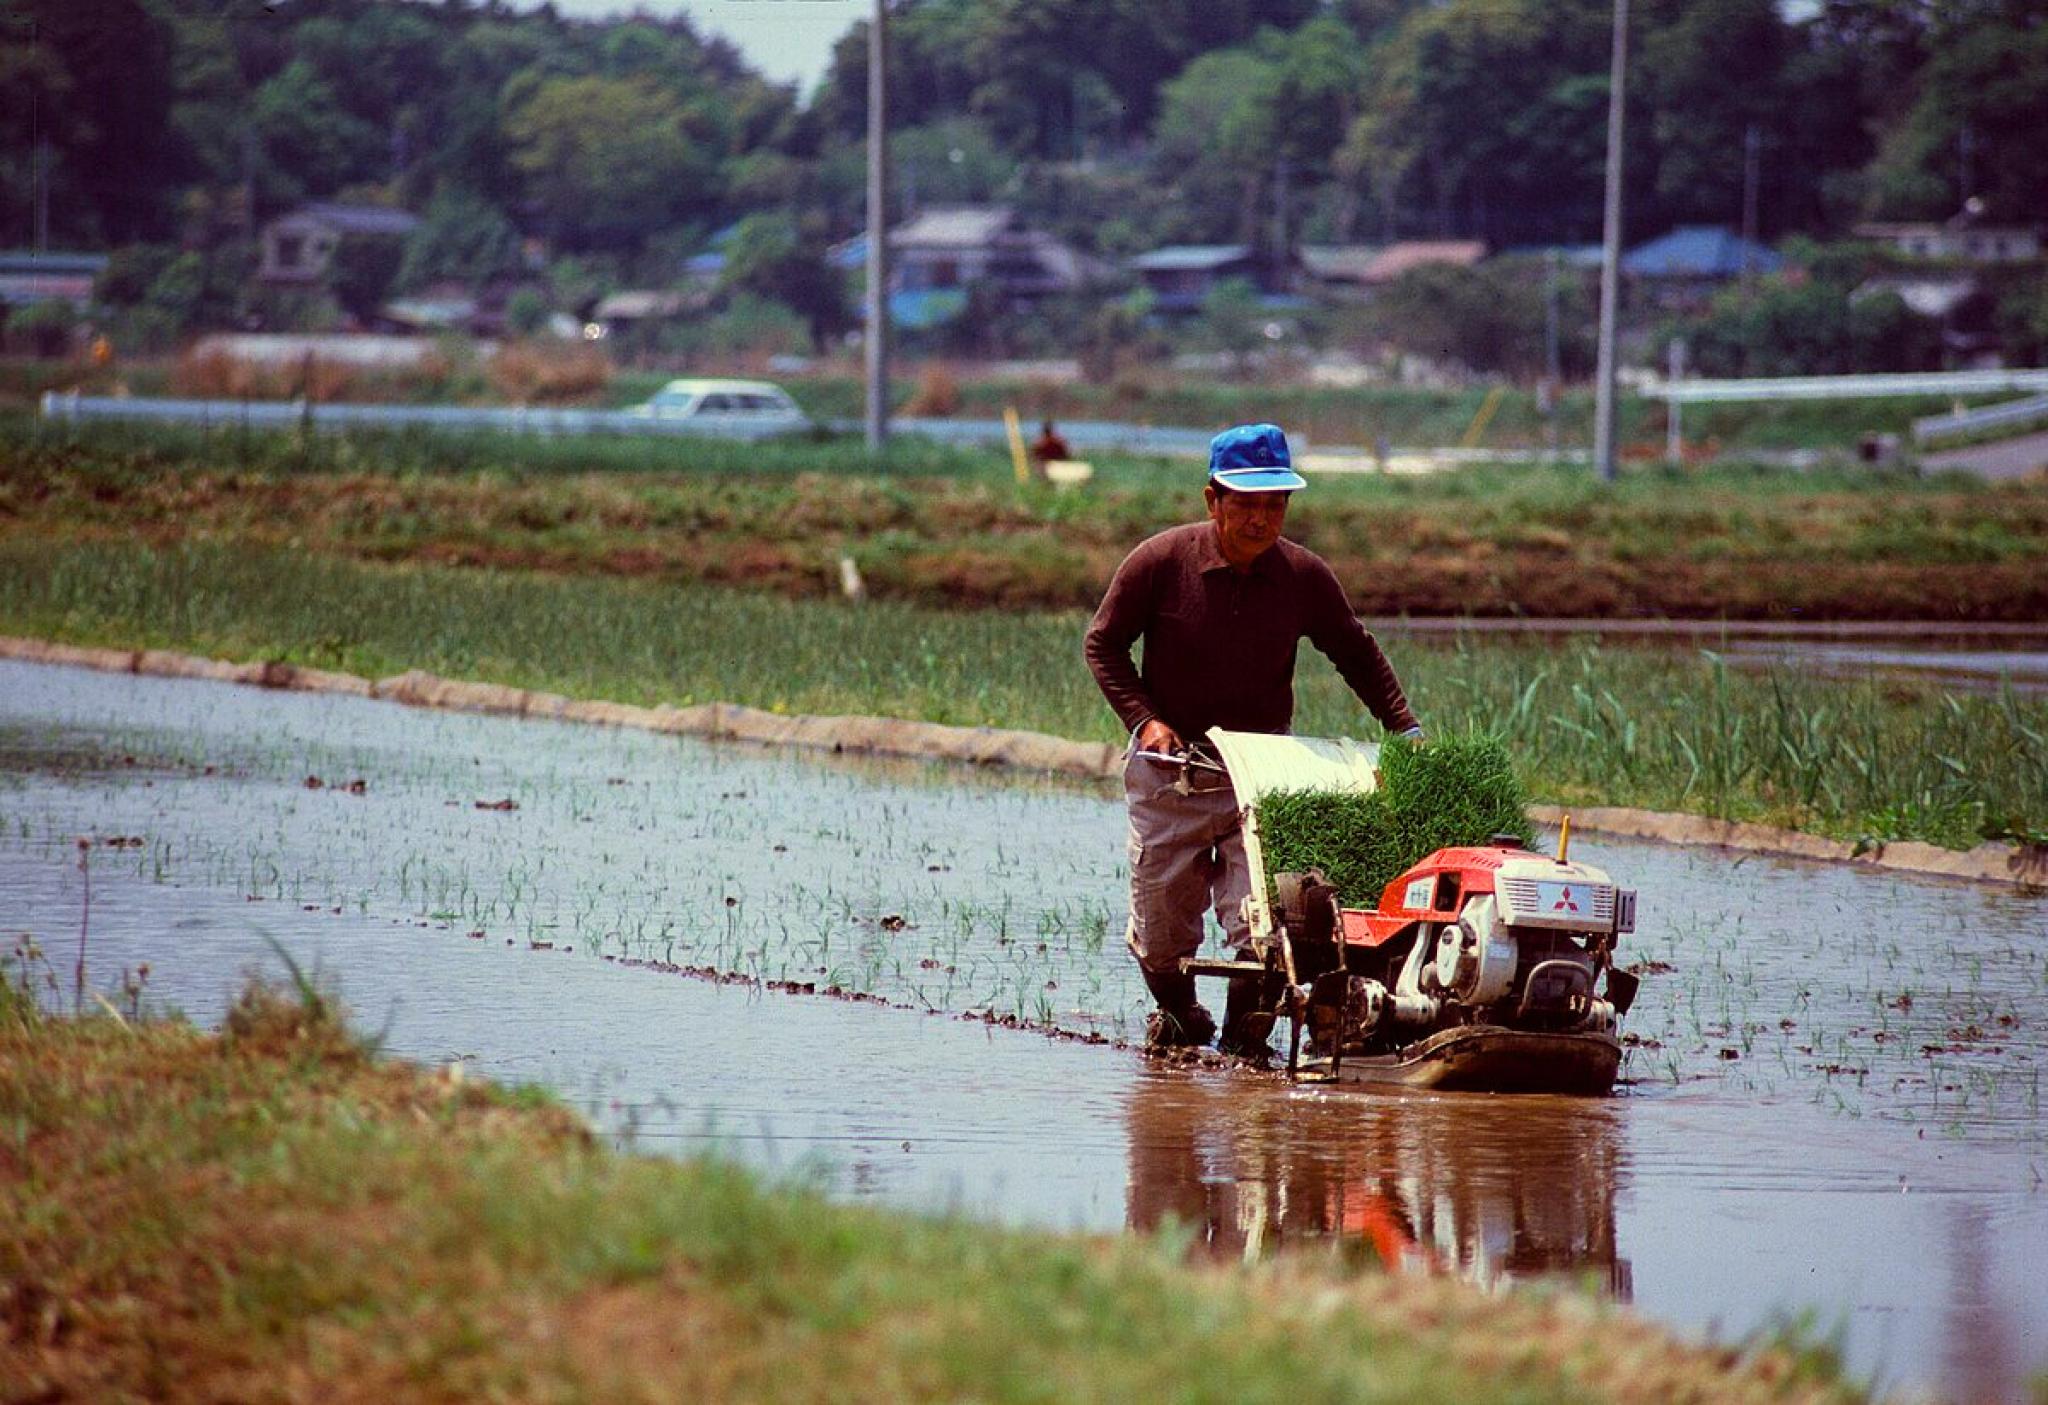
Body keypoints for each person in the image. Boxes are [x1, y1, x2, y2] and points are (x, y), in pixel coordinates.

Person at [1083, 422, 1422, 1055]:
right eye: (1246, 505)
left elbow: (1356, 651)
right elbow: (1102, 644)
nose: (1261, 520)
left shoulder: (1302, 575)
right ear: (1213, 500)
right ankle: (1181, 1017)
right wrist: (1144, 718)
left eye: (1275, 505)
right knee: (1161, 929)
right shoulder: (1159, 563)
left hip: (1260, 769)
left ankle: (1245, 1036)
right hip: (1173, 767)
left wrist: (1405, 726)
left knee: (1266, 919)